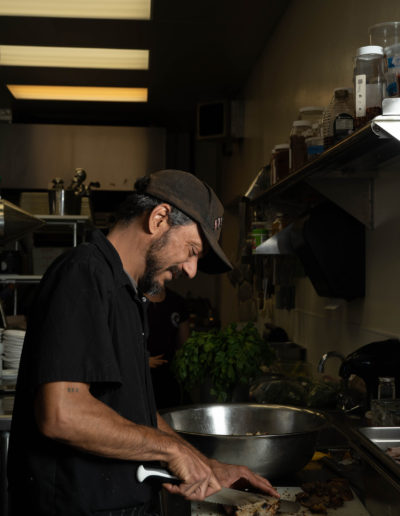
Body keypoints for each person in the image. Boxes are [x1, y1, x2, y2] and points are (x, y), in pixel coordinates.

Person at [7, 169, 279, 516]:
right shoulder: (84, 274)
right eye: (192, 249)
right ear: (159, 218)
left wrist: (207, 466)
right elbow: (62, 413)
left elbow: (134, 412)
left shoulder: (130, 294)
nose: (192, 270)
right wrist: (172, 452)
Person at [147, 287, 190, 409]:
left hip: (169, 377)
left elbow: (184, 345)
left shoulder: (176, 301)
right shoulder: (132, 299)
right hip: (141, 377)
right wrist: (141, 361)